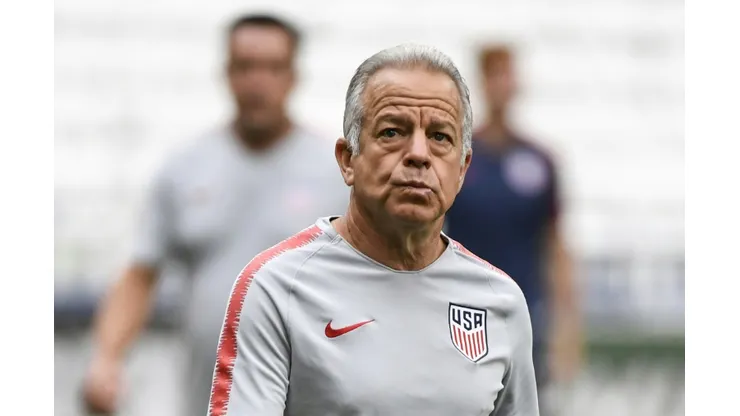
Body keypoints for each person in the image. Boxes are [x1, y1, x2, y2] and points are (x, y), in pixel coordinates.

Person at [207, 44, 539, 416]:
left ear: (462, 169)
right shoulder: (277, 288)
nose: (419, 153)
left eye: (440, 136)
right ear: (348, 160)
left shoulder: (500, 302)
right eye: (392, 131)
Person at [81, 13, 348, 416]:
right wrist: (106, 359)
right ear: (226, 73)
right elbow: (140, 274)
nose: (257, 81)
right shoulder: (185, 167)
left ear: (294, 76)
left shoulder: (337, 172)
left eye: (272, 67)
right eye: (245, 66)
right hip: (207, 402)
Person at [444, 45, 582, 405]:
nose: (502, 84)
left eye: (507, 74)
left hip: (526, 317)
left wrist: (567, 326)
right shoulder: (457, 158)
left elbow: (556, 244)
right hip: (464, 314)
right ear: (481, 83)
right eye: (494, 74)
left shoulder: (540, 161)